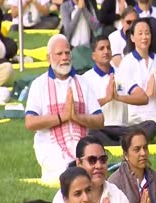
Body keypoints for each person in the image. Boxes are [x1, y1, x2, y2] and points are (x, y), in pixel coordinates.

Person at [25, 34, 104, 183]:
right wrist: (62, 116)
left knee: (95, 168)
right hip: (50, 148)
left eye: (67, 53)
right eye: (59, 54)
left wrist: (77, 117)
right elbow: (30, 122)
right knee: (68, 172)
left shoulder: (83, 82)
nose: (64, 57)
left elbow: (100, 120)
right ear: (49, 58)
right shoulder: (39, 84)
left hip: (81, 146)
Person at [82, 35, 156, 146]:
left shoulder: (121, 74)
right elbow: (82, 108)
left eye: (108, 48)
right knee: (91, 132)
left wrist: (118, 97)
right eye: (101, 48)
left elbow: (143, 98)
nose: (106, 51)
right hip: (101, 128)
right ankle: (125, 144)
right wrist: (107, 99)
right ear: (93, 55)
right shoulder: (85, 78)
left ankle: (121, 142)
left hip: (122, 129)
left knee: (151, 125)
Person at [53, 136, 131, 203]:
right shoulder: (63, 198)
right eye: (92, 160)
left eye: (103, 159)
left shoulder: (117, 195)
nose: (99, 166)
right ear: (79, 163)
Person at [108, 129, 156, 203]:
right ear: (125, 155)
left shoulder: (154, 178)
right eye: (137, 149)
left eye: (145, 148)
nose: (143, 153)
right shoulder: (115, 182)